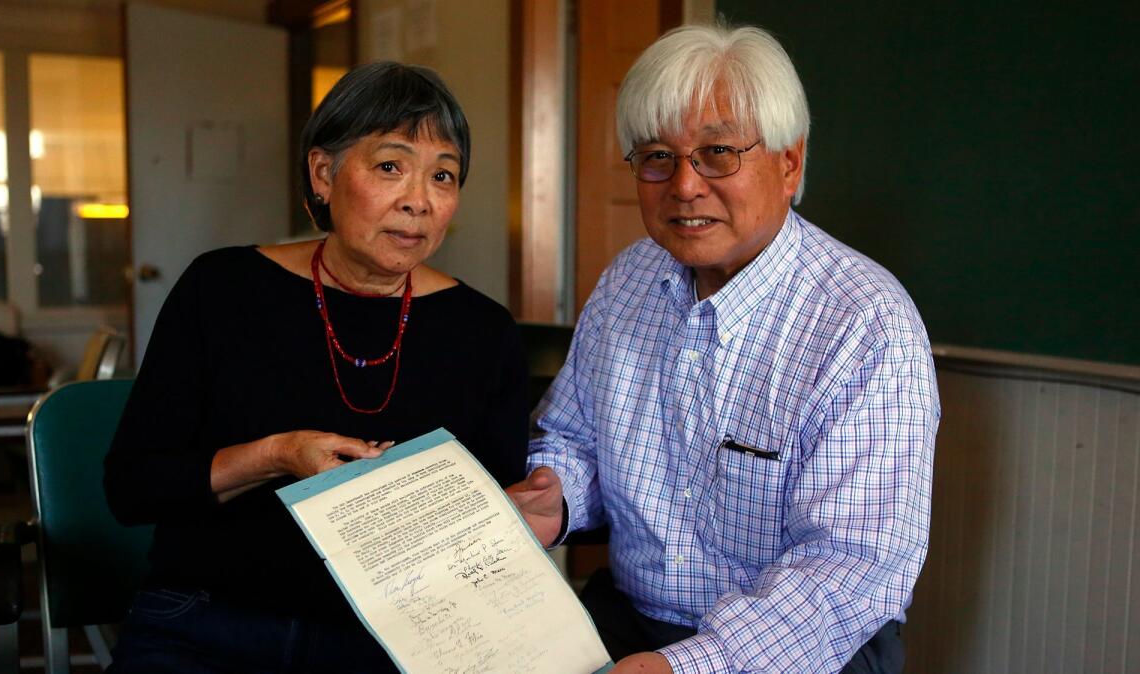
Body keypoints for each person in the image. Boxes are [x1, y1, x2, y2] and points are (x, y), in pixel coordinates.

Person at [508, 25, 941, 674]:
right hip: (635, 620)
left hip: (803, 649)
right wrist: (558, 496)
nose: (683, 186)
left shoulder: (866, 323)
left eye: (717, 153)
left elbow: (848, 569)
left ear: (789, 164)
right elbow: (574, 438)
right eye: (657, 156)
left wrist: (689, 666)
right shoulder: (629, 279)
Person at [104, 62, 529, 673]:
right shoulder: (222, 289)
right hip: (208, 621)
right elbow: (131, 487)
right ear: (324, 173)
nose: (419, 200)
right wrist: (277, 454)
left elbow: (482, 533)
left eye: (444, 175)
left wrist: (517, 509)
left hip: (394, 640)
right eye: (390, 166)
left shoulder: (484, 331)